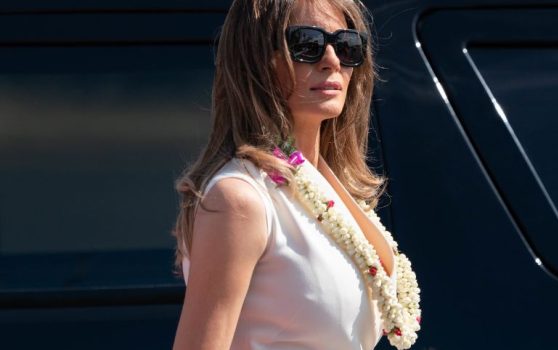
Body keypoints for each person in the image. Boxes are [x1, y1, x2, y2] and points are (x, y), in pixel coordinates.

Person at [170, 0, 421, 349]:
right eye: (306, 44)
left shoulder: (330, 186)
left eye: (348, 46)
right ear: (255, 59)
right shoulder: (240, 198)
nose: (332, 60)